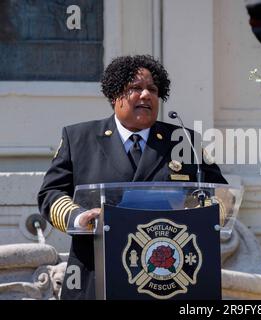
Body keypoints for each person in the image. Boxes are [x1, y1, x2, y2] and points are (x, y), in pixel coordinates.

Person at [37, 55, 227, 300]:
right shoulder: (79, 138)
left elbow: (220, 196)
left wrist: (192, 209)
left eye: (153, 89)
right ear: (115, 95)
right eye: (135, 88)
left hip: (170, 276)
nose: (146, 95)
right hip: (97, 273)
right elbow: (50, 194)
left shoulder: (185, 141)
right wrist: (78, 217)